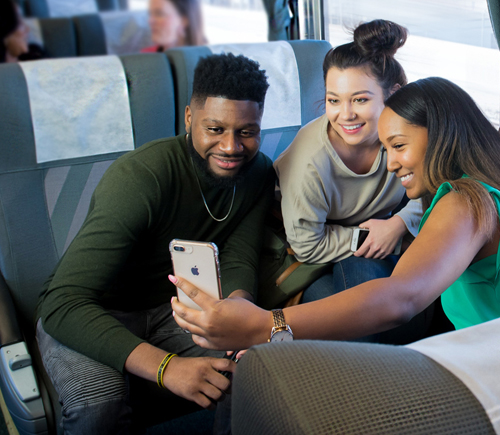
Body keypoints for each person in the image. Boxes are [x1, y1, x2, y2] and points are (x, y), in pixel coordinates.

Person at [170, 77, 500, 349]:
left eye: (398, 145)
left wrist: (266, 325)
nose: (390, 164)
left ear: (442, 137)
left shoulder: (468, 200)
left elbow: (400, 299)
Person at [36, 53, 274, 433]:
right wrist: (167, 368)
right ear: (189, 118)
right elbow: (62, 302)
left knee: (250, 371)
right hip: (95, 309)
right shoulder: (143, 177)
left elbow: (238, 253)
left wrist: (237, 308)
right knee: (101, 409)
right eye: (215, 129)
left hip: (171, 308)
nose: (231, 147)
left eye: (247, 131)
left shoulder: (258, 172)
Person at [274, 20, 424, 320]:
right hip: (307, 255)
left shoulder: (409, 132)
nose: (346, 115)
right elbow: (306, 245)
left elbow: (441, 184)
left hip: (382, 231)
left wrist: (398, 226)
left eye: (360, 100)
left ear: (392, 95)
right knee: (367, 313)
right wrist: (369, 235)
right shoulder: (311, 161)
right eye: (333, 100)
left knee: (424, 297)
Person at [142, 0, 206, 53]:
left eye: (159, 13)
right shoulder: (144, 58)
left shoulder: (206, 63)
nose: (150, 21)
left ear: (184, 21)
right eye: (150, 14)